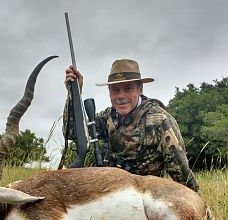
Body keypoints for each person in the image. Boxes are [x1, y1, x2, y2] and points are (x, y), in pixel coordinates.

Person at [63, 59, 200, 193]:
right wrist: (74, 93)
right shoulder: (106, 117)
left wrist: (197, 205)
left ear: (140, 89)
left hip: (145, 197)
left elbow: (181, 173)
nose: (121, 96)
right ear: (109, 92)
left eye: (128, 88)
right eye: (115, 90)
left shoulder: (160, 120)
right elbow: (71, 133)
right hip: (109, 193)